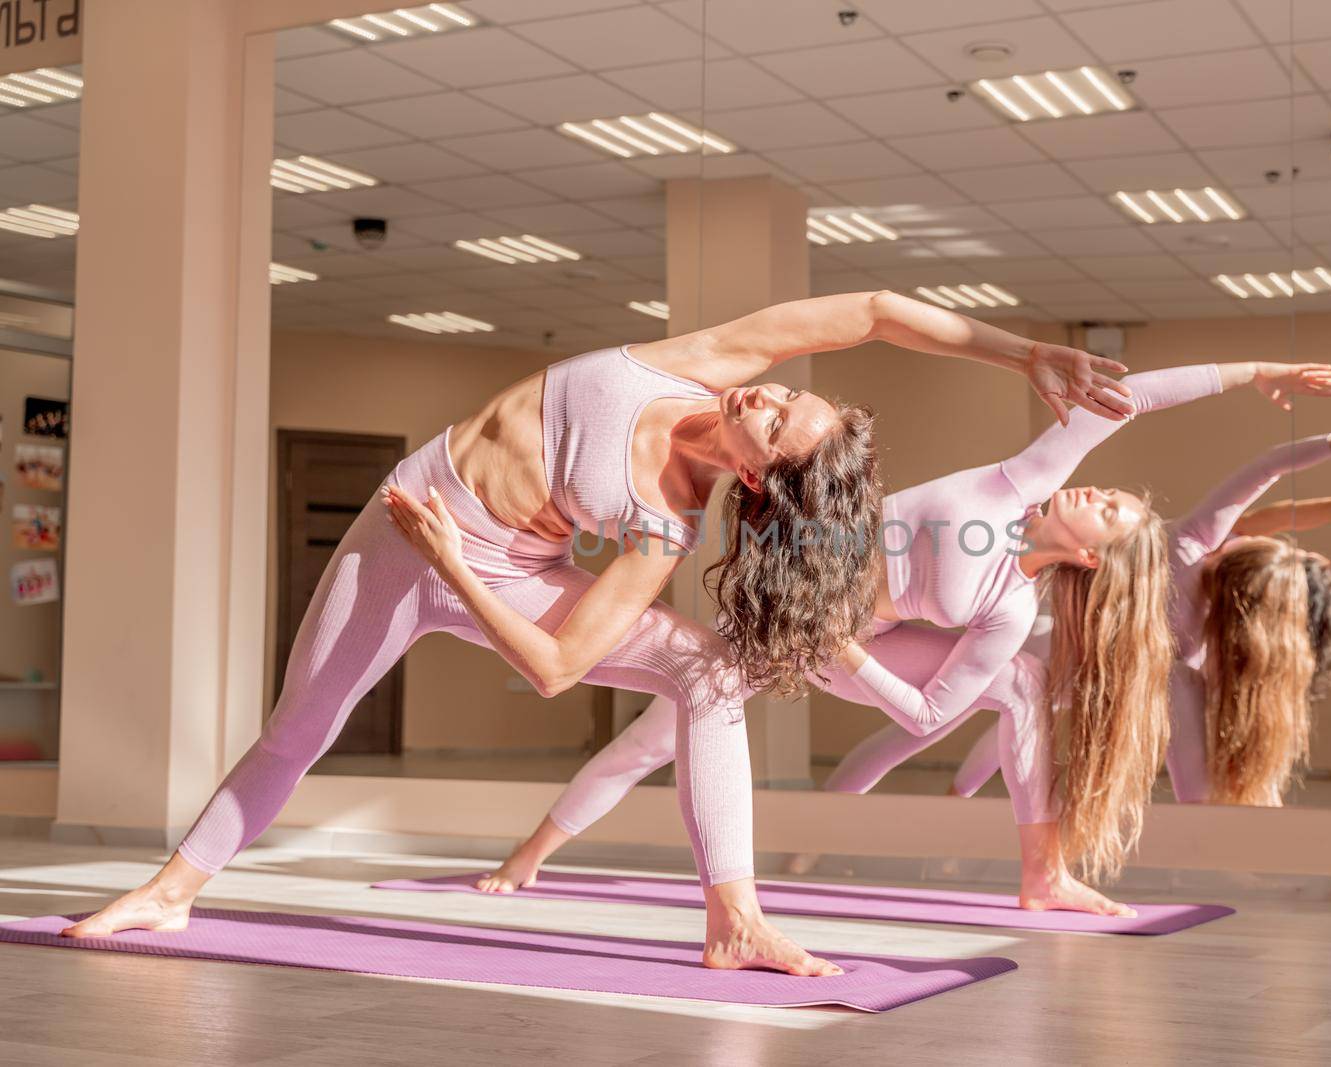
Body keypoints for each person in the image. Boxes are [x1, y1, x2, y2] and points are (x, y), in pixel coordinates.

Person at [61, 291, 1133, 977]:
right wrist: (1022, 349)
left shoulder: (663, 525)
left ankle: (734, 918)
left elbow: (555, 667)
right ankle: (168, 891)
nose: (766, 395)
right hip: (403, 523)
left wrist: (455, 570)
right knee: (300, 726)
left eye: (776, 421)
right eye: (783, 396)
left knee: (709, 674)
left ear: (757, 473)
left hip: (479, 566)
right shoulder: (690, 366)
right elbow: (871, 308)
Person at [454, 360, 1331, 916]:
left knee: (1023, 687)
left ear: (1095, 558)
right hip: (777, 606)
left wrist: (846, 649)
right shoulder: (1012, 484)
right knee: (652, 738)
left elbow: (922, 714)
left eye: (1108, 510)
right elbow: (1128, 399)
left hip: (843, 647)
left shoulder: (1001, 612)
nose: (1096, 491)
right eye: (1108, 490)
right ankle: (532, 853)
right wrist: (1250, 372)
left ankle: (1043, 874)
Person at [940, 431, 1331, 808]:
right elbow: (1325, 503)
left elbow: (1316, 503)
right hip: (1089, 621)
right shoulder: (1217, 538)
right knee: (1033, 700)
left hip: (1132, 646)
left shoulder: (1228, 604)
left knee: (1042, 703)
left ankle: (1230, 824)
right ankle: (956, 792)